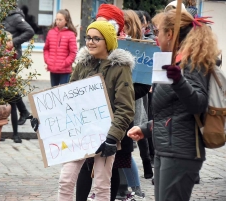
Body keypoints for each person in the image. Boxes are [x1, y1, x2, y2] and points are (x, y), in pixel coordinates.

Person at [127, 10, 220, 201]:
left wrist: (178, 81)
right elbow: (171, 112)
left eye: (157, 31)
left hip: (180, 151)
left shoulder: (192, 63)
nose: (155, 36)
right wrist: (146, 128)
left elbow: (198, 104)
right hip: (167, 148)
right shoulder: (174, 61)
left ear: (170, 34)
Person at [57, 20, 135, 201]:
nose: (90, 42)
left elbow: (125, 107)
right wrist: (44, 119)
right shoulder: (82, 65)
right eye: (88, 38)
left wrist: (112, 138)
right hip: (80, 132)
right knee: (65, 180)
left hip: (105, 135)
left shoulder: (120, 69)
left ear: (107, 41)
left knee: (102, 185)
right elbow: (67, 97)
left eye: (96, 39)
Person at [2, 5, 34, 127]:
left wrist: (13, 42)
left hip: (12, 56)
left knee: (9, 86)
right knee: (9, 86)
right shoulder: (0, 16)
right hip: (1, 57)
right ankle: (24, 111)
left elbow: (30, 31)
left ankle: (22, 112)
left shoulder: (15, 17)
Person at [43, 9, 77, 87]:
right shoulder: (51, 32)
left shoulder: (70, 34)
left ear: (66, 21)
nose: (57, 21)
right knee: (53, 91)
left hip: (64, 70)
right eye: (57, 19)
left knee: (62, 93)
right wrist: (48, 61)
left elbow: (73, 52)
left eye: (60, 20)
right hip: (53, 68)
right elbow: (46, 49)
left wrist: (65, 63)